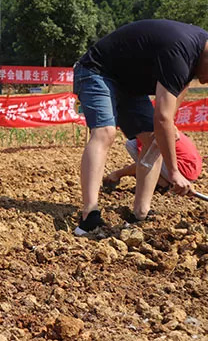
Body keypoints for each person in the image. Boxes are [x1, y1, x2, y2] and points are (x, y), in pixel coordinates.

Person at [73, 19, 208, 235]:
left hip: (130, 85)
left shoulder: (198, 50)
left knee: (155, 138)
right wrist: (174, 172)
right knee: (105, 132)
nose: (204, 82)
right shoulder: (181, 52)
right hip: (97, 71)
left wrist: (169, 124)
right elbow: (161, 117)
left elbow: (181, 88)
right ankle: (90, 215)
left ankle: (139, 215)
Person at [103, 130, 202, 210]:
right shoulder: (160, 125)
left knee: (131, 144)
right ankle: (162, 182)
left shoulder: (147, 133)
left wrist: (117, 174)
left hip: (183, 171)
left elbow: (147, 162)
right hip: (191, 168)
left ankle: (163, 185)